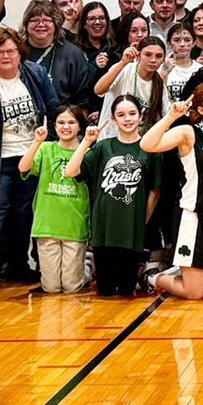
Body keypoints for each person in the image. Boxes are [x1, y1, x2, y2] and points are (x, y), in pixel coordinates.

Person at [0, 27, 62, 281]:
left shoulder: (34, 73)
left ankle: (15, 265)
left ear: (20, 52)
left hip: (31, 158)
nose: (6, 56)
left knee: (24, 214)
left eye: (11, 51)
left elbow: (53, 109)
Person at [141, 83, 203, 300]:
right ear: (202, 110)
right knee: (195, 293)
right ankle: (151, 277)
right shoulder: (188, 133)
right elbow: (147, 144)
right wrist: (170, 117)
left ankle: (182, 271)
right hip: (195, 218)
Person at [65, 95, 159, 296]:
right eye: (121, 115)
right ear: (114, 120)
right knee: (105, 292)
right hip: (103, 231)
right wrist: (87, 142)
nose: (127, 119)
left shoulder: (150, 149)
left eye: (132, 114)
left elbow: (154, 192)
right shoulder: (103, 147)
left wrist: (142, 222)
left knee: (126, 292)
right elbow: (71, 171)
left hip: (132, 233)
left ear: (141, 117)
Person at [18, 106, 91, 294]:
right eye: (61, 122)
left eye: (71, 122)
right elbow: (23, 167)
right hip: (47, 224)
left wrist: (87, 143)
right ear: (54, 126)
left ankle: (88, 268)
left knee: (70, 287)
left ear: (80, 127)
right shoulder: (46, 148)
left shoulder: (87, 151)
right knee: (51, 288)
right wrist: (36, 142)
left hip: (74, 225)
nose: (65, 126)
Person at [23, 0, 97, 110]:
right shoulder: (16, 52)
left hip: (62, 122)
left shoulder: (73, 55)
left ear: (56, 24)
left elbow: (82, 102)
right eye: (34, 20)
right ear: (26, 24)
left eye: (47, 20)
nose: (41, 24)